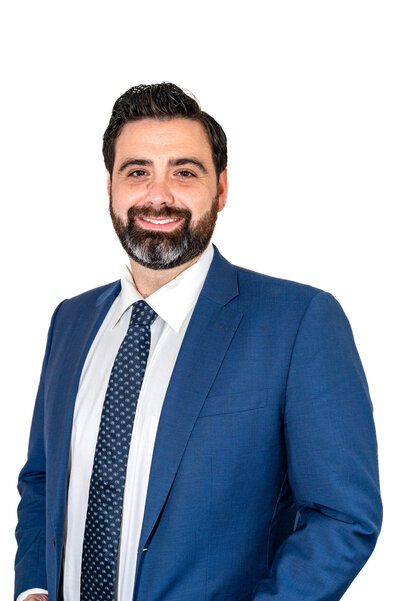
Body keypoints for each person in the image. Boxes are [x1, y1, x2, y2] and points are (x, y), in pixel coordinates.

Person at [14, 82, 382, 601]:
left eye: (184, 172)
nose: (158, 194)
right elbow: (43, 478)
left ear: (222, 188)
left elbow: (343, 517)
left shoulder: (298, 322)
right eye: (137, 171)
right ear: (111, 187)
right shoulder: (70, 320)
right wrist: (31, 587)